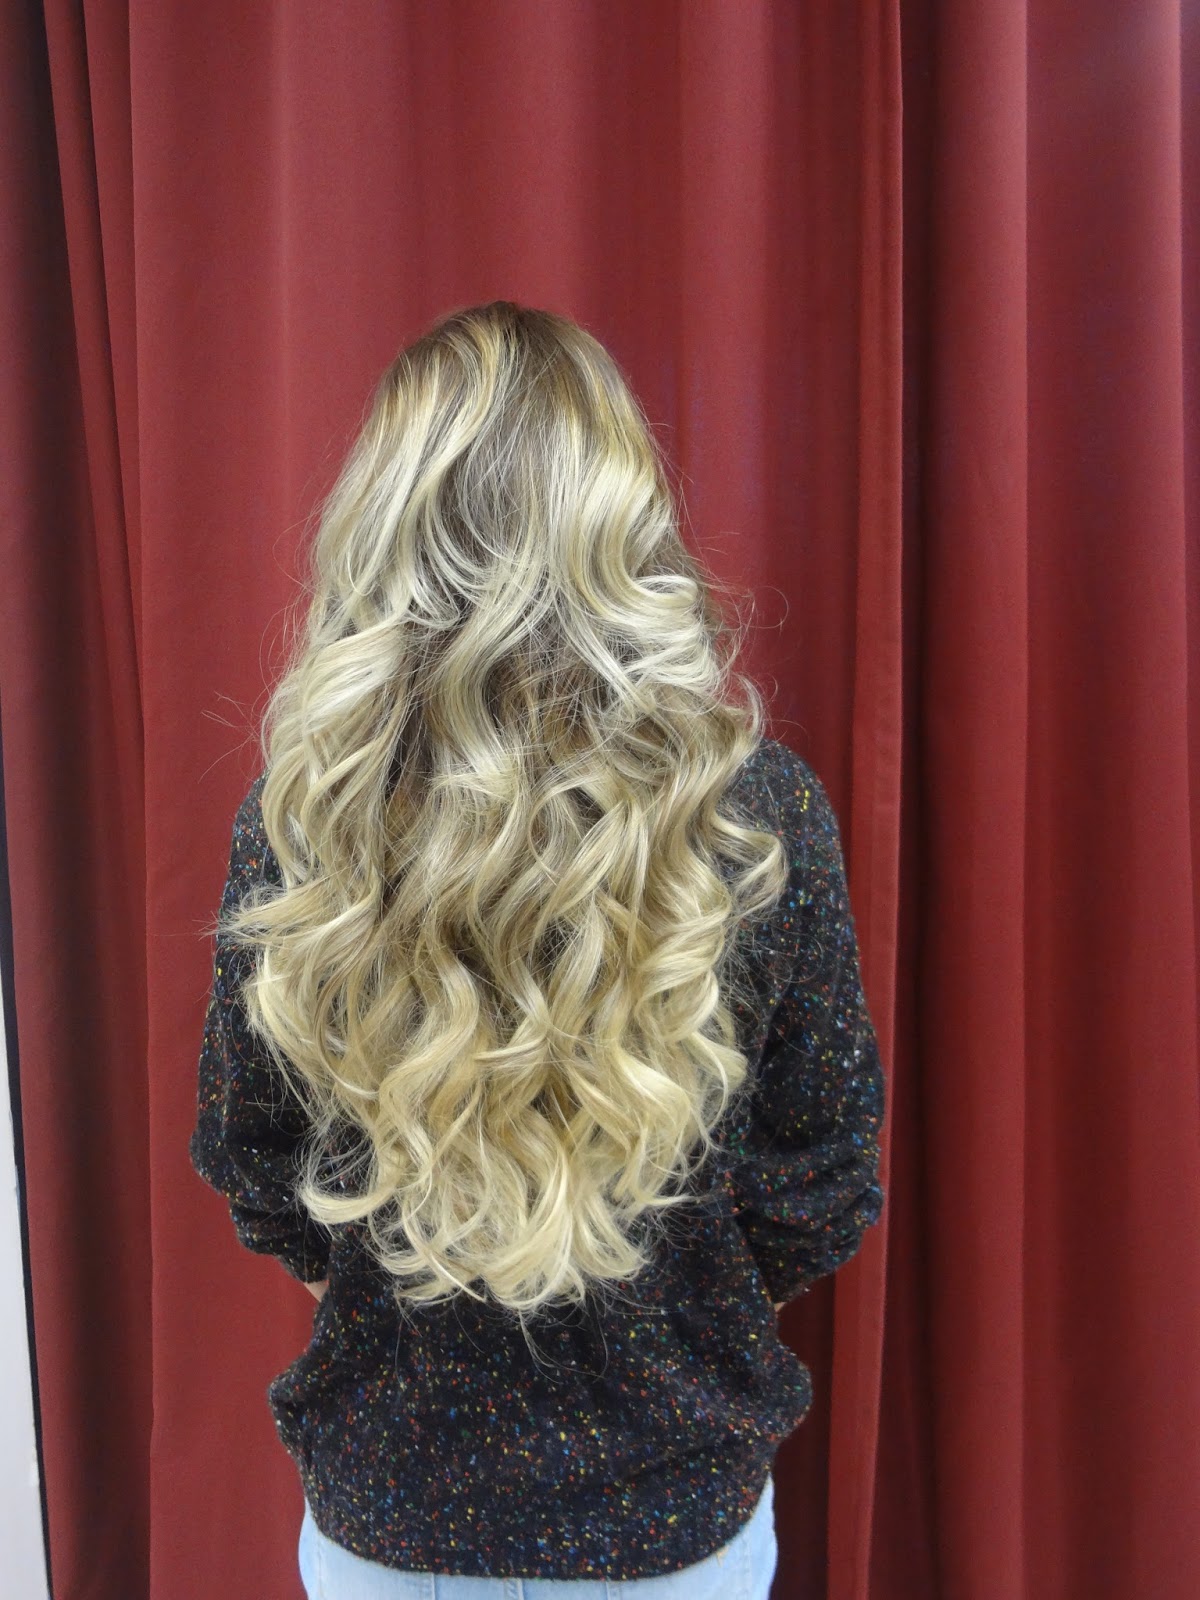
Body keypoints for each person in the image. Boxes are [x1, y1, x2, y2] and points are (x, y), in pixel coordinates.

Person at [189, 300, 887, 1598]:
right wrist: (671, 1307)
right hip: (675, 1527)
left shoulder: (306, 824)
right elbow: (820, 1183)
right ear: (618, 519)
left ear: (383, 529)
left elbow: (260, 1173)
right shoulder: (753, 819)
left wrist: (424, 1282)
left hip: (392, 1527)